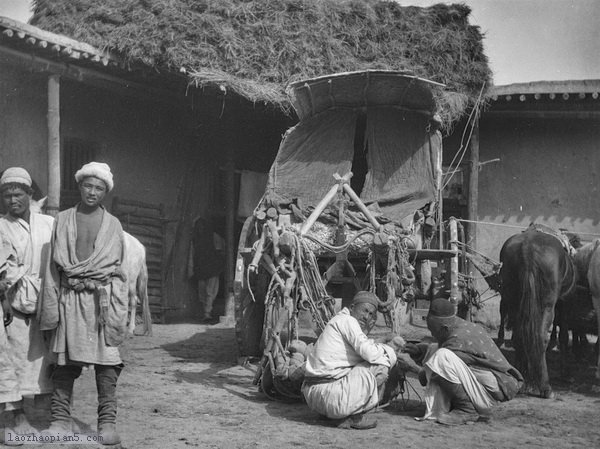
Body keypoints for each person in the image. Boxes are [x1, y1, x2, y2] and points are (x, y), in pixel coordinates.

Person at [39, 162, 128, 445]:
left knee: (107, 364)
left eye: (99, 188)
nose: (92, 192)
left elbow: (120, 270)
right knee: (64, 364)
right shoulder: (63, 219)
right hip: (69, 299)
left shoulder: (114, 225)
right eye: (87, 186)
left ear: (106, 192)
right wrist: (51, 307)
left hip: (101, 300)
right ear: (79, 186)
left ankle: (107, 422)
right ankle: (60, 420)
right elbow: (53, 268)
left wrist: (116, 306)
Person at [396, 298, 523, 426]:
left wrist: (411, 366)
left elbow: (427, 376)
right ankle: (464, 404)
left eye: (433, 331)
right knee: (437, 351)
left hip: (494, 393)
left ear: (444, 328)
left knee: (441, 358)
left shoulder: (456, 340)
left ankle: (466, 409)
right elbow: (442, 348)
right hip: (497, 384)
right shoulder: (460, 327)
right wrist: (419, 350)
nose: (432, 334)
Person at [0, 167, 54, 440]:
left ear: (30, 194)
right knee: (14, 359)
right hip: (14, 300)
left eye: (18, 194)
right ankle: (15, 417)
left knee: (42, 359)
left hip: (45, 299)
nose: (13, 200)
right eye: (7, 195)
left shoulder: (48, 224)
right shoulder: (1, 226)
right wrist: (6, 301)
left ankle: (47, 415)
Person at [301, 291, 401, 430]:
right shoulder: (348, 321)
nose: (367, 317)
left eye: (372, 314)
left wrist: (378, 341)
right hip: (330, 397)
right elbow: (369, 353)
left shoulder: (340, 320)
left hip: (314, 396)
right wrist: (390, 351)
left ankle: (330, 415)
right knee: (380, 365)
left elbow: (362, 346)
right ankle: (353, 417)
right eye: (365, 310)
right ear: (352, 307)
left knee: (369, 361)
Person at [189, 217, 224, 324]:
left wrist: (219, 266)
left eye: (202, 226)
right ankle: (206, 313)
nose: (200, 229)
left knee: (210, 292)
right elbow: (192, 255)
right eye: (198, 227)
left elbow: (221, 252)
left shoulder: (215, 237)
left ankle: (207, 313)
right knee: (203, 293)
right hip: (201, 269)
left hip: (212, 269)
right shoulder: (195, 240)